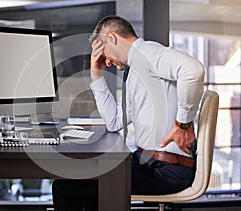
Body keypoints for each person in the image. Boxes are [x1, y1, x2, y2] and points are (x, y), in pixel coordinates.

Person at [52, 16, 204, 211]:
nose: (105, 61)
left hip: (165, 170)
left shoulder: (147, 52)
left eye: (103, 51)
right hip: (149, 163)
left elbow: (193, 70)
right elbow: (114, 122)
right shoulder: (136, 70)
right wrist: (96, 76)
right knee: (86, 182)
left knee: (66, 188)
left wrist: (182, 124)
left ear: (112, 38)